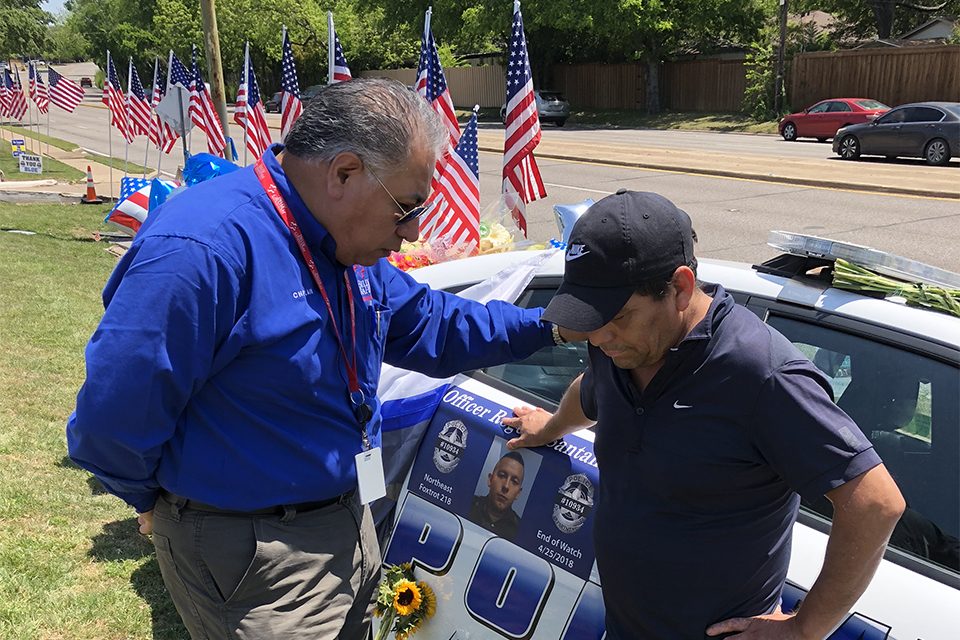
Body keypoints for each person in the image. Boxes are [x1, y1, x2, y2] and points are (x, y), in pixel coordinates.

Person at [66, 79, 571, 640]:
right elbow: (113, 416)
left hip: (347, 525)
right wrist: (153, 504)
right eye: (406, 208)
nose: (412, 233)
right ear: (344, 173)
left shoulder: (344, 241)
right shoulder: (205, 247)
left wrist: (549, 326)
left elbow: (431, 322)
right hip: (255, 554)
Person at [503, 189, 906, 640]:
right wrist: (552, 425)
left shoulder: (761, 375)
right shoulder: (618, 347)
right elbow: (595, 392)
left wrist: (807, 627)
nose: (598, 337)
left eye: (618, 316)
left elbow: (876, 503)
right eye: (590, 319)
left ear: (679, 288)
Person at [469, 451, 525, 540]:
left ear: (518, 493)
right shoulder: (467, 505)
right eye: (502, 476)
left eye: (514, 481)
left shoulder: (520, 532)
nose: (506, 486)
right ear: (490, 480)